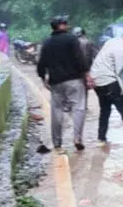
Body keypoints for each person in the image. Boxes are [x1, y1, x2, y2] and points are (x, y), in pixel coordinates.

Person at [36, 15, 92, 152]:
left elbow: (41, 62)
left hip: (55, 82)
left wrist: (43, 78)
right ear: (61, 25)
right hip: (74, 80)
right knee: (79, 108)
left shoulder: (47, 42)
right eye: (65, 23)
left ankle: (57, 143)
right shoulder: (71, 39)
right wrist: (87, 74)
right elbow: (80, 58)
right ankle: (77, 138)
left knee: (56, 112)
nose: (67, 25)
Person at [90, 30, 123, 146]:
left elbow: (113, 57)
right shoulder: (122, 51)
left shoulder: (113, 41)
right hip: (110, 81)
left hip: (97, 81)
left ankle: (101, 139)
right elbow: (120, 73)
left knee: (105, 111)